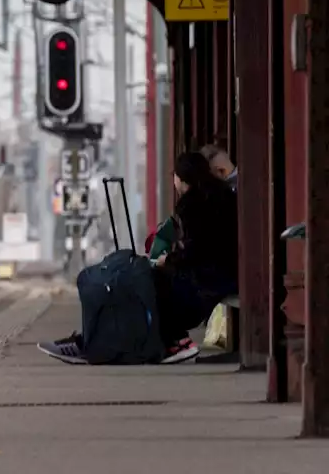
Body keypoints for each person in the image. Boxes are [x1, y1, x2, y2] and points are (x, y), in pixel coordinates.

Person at [40, 152, 239, 365]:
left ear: (181, 179)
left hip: (205, 283)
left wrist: (167, 261)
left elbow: (197, 251)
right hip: (220, 276)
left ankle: (98, 344)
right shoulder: (223, 195)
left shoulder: (193, 204)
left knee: (138, 287)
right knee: (139, 285)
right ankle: (95, 341)